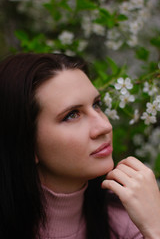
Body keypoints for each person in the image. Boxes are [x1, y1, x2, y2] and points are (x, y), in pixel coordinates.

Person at [0, 53, 160, 239]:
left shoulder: (131, 222)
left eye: (97, 105)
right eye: (72, 115)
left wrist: (155, 227)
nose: (105, 126)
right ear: (26, 143)